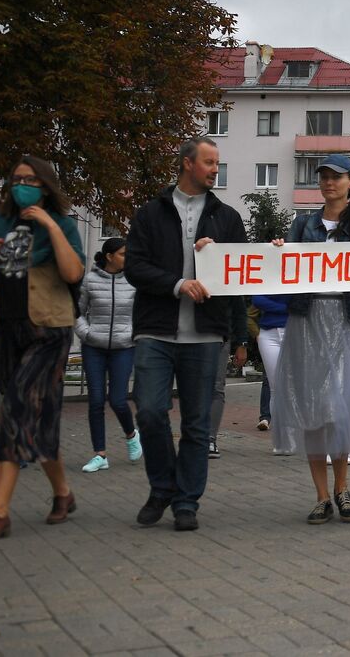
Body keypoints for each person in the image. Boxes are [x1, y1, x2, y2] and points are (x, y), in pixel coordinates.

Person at [126, 137, 248, 532]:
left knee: (196, 424)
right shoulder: (149, 213)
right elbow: (135, 268)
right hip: (155, 333)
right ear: (186, 164)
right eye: (209, 162)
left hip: (205, 336)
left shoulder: (227, 218)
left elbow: (241, 274)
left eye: (218, 163)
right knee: (148, 411)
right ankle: (162, 486)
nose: (216, 169)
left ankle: (186, 501)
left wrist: (214, 261)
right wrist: (179, 283)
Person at [0, 158, 85, 542]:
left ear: (45, 185)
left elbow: (73, 274)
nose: (23, 185)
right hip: (4, 329)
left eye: (31, 179)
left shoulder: (63, 225)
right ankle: (63, 494)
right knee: (42, 415)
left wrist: (50, 224)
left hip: (49, 329)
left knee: (17, 408)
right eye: (17, 179)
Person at [270, 153, 350, 525]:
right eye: (323, 176)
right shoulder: (301, 226)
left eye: (336, 176)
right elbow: (282, 269)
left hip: (348, 321)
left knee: (341, 408)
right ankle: (322, 495)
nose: (328, 182)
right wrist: (276, 253)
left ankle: (342, 487)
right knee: (313, 408)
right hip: (308, 321)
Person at [75, 237, 142, 473]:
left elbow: (141, 314)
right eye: (123, 254)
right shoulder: (90, 280)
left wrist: (131, 335)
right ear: (110, 256)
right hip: (94, 347)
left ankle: (132, 434)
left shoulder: (134, 281)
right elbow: (78, 312)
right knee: (95, 400)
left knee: (118, 400)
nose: (127, 258)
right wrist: (87, 333)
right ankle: (100, 455)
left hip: (123, 348)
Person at [206, 294, 250, 461]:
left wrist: (242, 343)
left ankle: (210, 438)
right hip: (192, 337)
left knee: (216, 387)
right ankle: (197, 435)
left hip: (220, 336)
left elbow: (239, 309)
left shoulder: (224, 272)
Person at [254, 292, 289, 446]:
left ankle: (292, 433)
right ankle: (282, 438)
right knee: (275, 387)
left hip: (293, 329)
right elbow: (257, 299)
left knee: (292, 386)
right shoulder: (266, 272)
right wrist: (287, 308)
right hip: (269, 331)